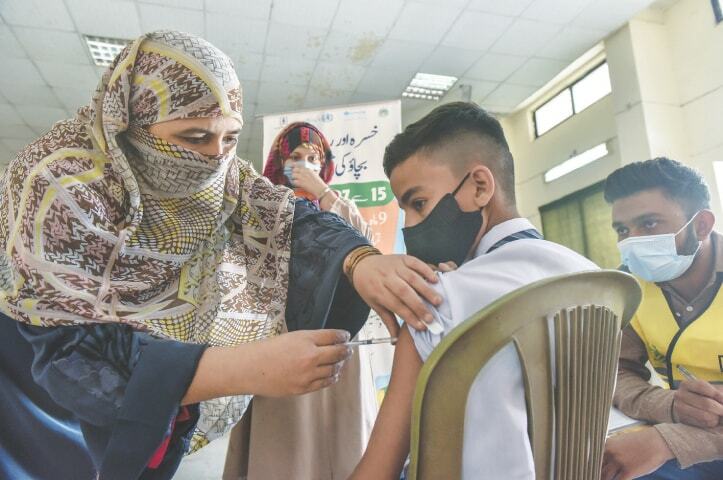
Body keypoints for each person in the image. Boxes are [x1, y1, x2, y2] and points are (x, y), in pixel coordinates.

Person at [0, 31, 443, 480]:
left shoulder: (226, 175)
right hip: (49, 419)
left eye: (230, 137)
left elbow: (289, 218)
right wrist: (242, 367)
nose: (215, 157)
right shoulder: (59, 188)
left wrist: (357, 260)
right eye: (194, 136)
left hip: (190, 403)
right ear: (129, 123)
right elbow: (67, 352)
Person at [348, 101, 597, 480]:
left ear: (480, 186)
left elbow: (378, 471)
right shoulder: (591, 277)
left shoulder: (434, 300)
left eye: (418, 203)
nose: (410, 227)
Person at [223, 122, 376, 480]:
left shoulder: (340, 206)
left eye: (314, 158)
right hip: (284, 340)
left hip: (340, 342)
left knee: (343, 442)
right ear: (280, 162)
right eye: (295, 157)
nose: (305, 165)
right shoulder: (263, 210)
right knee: (289, 445)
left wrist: (323, 193)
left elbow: (359, 247)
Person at [601, 158, 723, 480]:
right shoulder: (629, 288)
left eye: (649, 223)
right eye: (623, 230)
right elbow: (615, 371)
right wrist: (669, 406)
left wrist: (669, 440)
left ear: (701, 225)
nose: (633, 241)